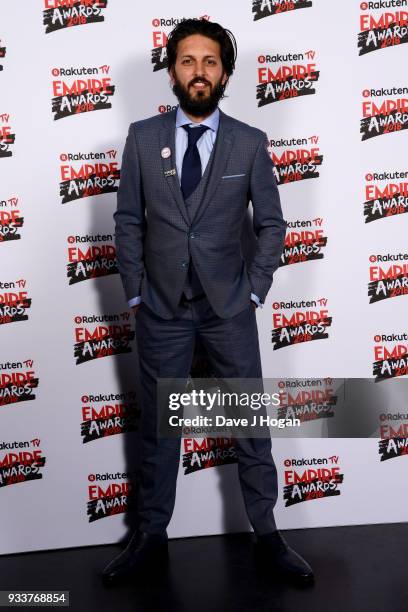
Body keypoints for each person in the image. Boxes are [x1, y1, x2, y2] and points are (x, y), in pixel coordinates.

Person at [102, 18, 314, 586]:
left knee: (250, 425)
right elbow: (126, 222)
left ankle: (267, 534)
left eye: (211, 62)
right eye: (189, 61)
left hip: (229, 310)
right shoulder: (143, 139)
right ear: (172, 70)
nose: (200, 72)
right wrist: (137, 292)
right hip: (162, 310)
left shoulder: (250, 142)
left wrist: (253, 289)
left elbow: (271, 224)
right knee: (158, 430)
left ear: (225, 72)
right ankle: (150, 537)